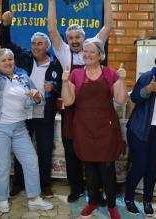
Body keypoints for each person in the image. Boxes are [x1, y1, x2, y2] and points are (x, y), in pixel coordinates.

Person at [42, 0, 113, 203]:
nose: (74, 40)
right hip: (71, 109)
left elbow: (108, 26)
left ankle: (97, 190)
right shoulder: (63, 52)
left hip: (95, 110)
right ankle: (77, 188)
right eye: (70, 37)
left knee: (95, 150)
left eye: (78, 37)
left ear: (85, 37)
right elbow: (52, 29)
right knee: (72, 150)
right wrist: (51, 2)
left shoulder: (93, 46)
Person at [0, 46, 54, 213]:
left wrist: (37, 96)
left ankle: (34, 198)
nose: (7, 62)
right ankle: (2, 198)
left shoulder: (23, 77)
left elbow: (37, 99)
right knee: (2, 165)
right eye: (3, 60)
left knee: (31, 161)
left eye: (10, 59)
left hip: (20, 127)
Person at [0, 11, 63, 198]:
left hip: (45, 113)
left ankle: (45, 185)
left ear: (47, 47)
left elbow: (62, 88)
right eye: (33, 43)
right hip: (24, 111)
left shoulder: (56, 65)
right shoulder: (25, 57)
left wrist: (55, 86)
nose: (35, 46)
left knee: (44, 150)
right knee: (21, 149)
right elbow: (5, 44)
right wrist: (5, 25)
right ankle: (18, 183)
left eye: (39, 44)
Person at [61, 38, 127, 219]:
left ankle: (112, 205)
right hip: (83, 127)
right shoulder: (75, 74)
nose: (87, 54)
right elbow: (68, 101)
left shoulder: (110, 73)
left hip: (106, 128)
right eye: (85, 51)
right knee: (89, 167)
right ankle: (92, 202)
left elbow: (121, 101)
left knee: (107, 168)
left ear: (100, 55)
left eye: (91, 51)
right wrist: (65, 82)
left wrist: (122, 80)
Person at [124, 48, 156, 216]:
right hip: (139, 129)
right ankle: (128, 198)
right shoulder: (149, 76)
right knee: (139, 167)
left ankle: (147, 201)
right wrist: (147, 89)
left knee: (152, 169)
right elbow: (134, 98)